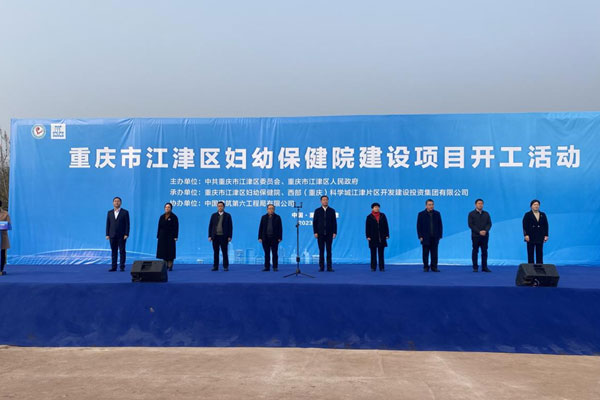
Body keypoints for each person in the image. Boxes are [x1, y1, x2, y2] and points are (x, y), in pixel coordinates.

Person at [416, 199, 443, 272]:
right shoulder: (421, 214)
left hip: (435, 237)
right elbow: (418, 226)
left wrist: (439, 235)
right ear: (426, 206)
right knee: (425, 253)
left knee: (434, 253)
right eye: (429, 205)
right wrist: (420, 236)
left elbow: (440, 225)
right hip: (425, 237)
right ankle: (425, 267)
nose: (431, 206)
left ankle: (434, 267)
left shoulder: (437, 214)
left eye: (432, 204)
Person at [313, 195, 337, 272]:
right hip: (320, 234)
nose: (325, 201)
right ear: (321, 201)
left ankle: (329, 267)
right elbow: (314, 222)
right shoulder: (317, 211)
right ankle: (321, 267)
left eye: (326, 200)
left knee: (329, 250)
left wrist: (334, 232)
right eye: (323, 200)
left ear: (328, 201)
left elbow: (334, 222)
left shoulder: (332, 211)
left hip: (329, 233)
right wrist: (315, 232)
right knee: (321, 250)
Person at [105, 197, 130, 272]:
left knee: (122, 251)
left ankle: (122, 267)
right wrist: (107, 234)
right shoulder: (109, 212)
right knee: (113, 251)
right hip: (112, 235)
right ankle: (114, 267)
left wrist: (126, 234)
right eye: (115, 201)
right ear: (113, 203)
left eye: (118, 201)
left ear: (120, 203)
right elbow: (108, 224)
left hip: (122, 235)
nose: (116, 202)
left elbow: (127, 224)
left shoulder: (125, 212)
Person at [468, 199, 492, 272]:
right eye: (479, 203)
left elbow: (489, 224)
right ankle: (475, 267)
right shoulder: (471, 214)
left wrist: (486, 231)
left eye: (481, 203)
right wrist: (479, 231)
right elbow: (471, 225)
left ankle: (484, 267)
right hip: (475, 236)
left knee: (484, 251)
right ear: (475, 204)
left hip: (485, 236)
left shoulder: (486, 214)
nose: (480, 205)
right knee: (475, 251)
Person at [208, 201, 233, 271]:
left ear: (224, 207)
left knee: (224, 252)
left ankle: (225, 266)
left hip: (224, 237)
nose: (220, 207)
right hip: (215, 236)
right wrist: (210, 236)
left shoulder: (228, 215)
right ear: (217, 207)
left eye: (221, 206)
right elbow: (210, 226)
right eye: (218, 206)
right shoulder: (213, 215)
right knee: (216, 252)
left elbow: (230, 227)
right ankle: (215, 266)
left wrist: (230, 236)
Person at [522, 199, 549, 264]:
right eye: (534, 205)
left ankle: (539, 266)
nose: (536, 206)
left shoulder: (543, 214)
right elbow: (525, 225)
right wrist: (526, 235)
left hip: (540, 235)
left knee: (539, 252)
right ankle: (530, 267)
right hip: (530, 236)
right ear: (531, 206)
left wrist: (546, 235)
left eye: (537, 205)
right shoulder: (527, 214)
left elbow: (546, 225)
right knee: (530, 252)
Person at [365, 202, 390, 272]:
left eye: (378, 207)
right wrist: (368, 236)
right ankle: (373, 267)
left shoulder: (383, 215)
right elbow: (367, 227)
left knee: (381, 253)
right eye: (375, 207)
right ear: (372, 208)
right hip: (372, 237)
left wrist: (387, 234)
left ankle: (382, 267)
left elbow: (386, 225)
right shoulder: (369, 217)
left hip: (381, 237)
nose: (377, 208)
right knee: (373, 253)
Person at [258, 204, 283, 272]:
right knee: (266, 253)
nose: (271, 210)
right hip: (265, 238)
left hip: (274, 238)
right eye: (269, 208)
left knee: (275, 253)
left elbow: (280, 228)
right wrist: (260, 237)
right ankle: (267, 267)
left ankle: (275, 267)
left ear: (274, 209)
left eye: (272, 208)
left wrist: (280, 237)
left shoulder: (278, 217)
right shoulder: (263, 217)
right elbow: (261, 228)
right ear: (267, 209)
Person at [156, 202, 179, 271]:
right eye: (166, 207)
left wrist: (176, 236)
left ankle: (170, 265)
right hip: (162, 236)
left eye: (168, 207)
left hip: (170, 236)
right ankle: (165, 264)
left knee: (170, 251)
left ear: (171, 208)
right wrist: (158, 235)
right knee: (163, 251)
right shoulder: (162, 217)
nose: (167, 208)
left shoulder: (174, 217)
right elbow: (159, 227)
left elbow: (176, 227)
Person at [0, 201, 10, 276]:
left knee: (2, 253)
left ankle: (1, 270)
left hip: (2, 236)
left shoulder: (5, 214)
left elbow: (9, 225)